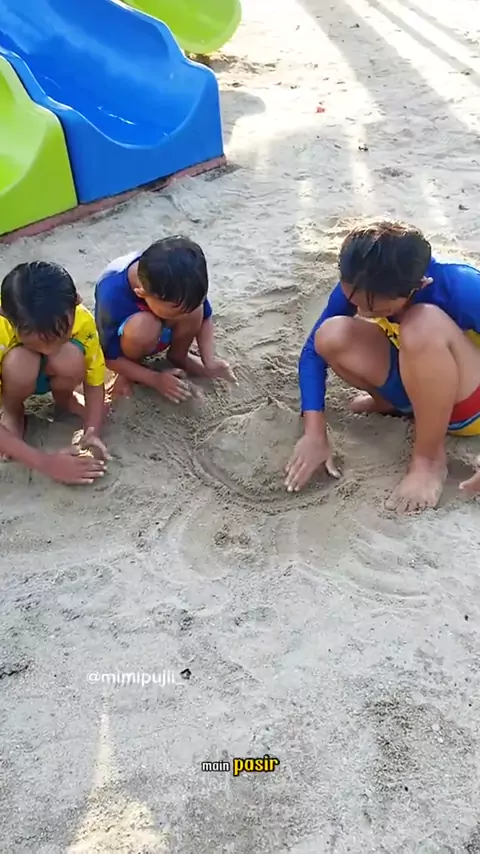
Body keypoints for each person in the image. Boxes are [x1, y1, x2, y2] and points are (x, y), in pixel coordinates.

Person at [285, 219, 480, 512]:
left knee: (421, 323)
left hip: (469, 402)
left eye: (377, 309)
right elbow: (313, 352)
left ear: (418, 286)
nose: (362, 312)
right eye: (354, 301)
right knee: (330, 334)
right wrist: (314, 433)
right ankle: (395, 405)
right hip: (420, 386)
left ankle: (428, 459)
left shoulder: (463, 287)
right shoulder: (363, 281)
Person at [0, 260, 108, 483]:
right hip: (14, 376)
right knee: (21, 361)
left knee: (69, 357)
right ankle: (12, 410)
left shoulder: (82, 321)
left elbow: (95, 380)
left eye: (60, 338)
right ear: (6, 317)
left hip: (59, 372)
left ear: (76, 301)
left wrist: (93, 429)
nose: (48, 350)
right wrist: (46, 463)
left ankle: (65, 399)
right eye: (36, 343)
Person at [94, 236, 236, 402]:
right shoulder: (112, 296)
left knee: (193, 309)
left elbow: (205, 316)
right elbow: (108, 356)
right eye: (176, 312)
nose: (184, 317)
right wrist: (155, 379)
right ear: (141, 293)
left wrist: (209, 360)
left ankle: (179, 355)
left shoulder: (183, 283)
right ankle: (132, 369)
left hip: (160, 318)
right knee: (144, 327)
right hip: (130, 337)